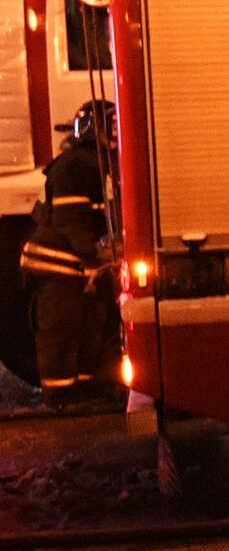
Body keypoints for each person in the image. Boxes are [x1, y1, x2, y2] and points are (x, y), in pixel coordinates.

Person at [20, 100, 122, 413]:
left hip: (77, 264)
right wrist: (92, 263)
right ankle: (60, 396)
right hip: (57, 265)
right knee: (60, 333)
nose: (117, 133)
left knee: (90, 327)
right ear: (94, 129)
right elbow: (73, 220)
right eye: (111, 126)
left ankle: (86, 386)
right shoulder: (77, 165)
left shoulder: (95, 162)